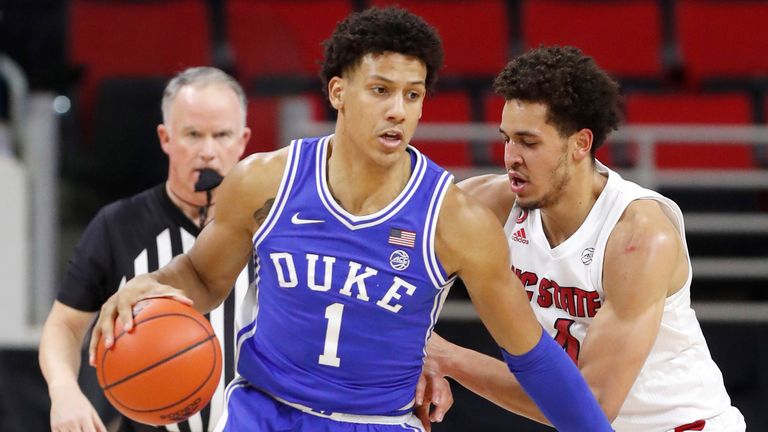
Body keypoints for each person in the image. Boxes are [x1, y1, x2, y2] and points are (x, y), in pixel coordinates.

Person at [88, 8, 613, 432]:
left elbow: (533, 357)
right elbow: (202, 279)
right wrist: (151, 286)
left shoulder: (455, 220)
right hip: (263, 410)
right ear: (339, 92)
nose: (398, 111)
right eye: (380, 90)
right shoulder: (263, 181)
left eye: (412, 95)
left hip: (377, 420)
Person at [423, 46, 747, 431]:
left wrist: (449, 358)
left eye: (529, 142)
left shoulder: (639, 235)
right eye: (507, 138)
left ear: (580, 144)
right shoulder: (491, 204)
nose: (510, 156)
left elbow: (590, 406)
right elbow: (390, 250)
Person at [39, 67, 252, 432]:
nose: (207, 151)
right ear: (165, 138)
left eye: (221, 135)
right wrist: (63, 390)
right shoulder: (118, 224)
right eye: (192, 135)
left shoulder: (271, 226)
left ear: (243, 140)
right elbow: (64, 326)